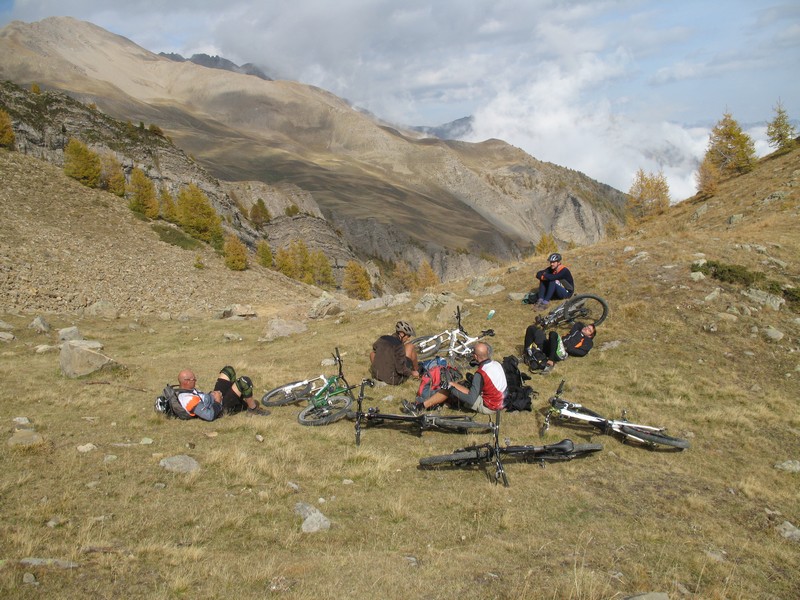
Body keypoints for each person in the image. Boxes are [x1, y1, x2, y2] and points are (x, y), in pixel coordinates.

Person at [402, 342, 506, 415]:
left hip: (490, 407)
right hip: (501, 402)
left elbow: (472, 398)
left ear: (475, 356)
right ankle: (431, 404)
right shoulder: (496, 364)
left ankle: (419, 407)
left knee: (448, 388)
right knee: (454, 385)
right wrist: (455, 385)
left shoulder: (481, 373)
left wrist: (451, 387)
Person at [176, 366, 270, 420]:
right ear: (186, 382)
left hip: (215, 397)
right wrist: (217, 401)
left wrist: (213, 394)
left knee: (228, 370)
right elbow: (209, 416)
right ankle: (253, 409)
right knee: (244, 382)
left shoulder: (187, 390)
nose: (195, 381)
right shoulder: (188, 400)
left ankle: (237, 400)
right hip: (220, 408)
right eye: (193, 379)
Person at [523, 321, 596, 373]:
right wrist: (587, 328)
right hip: (553, 345)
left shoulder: (588, 341)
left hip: (562, 351)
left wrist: (568, 349)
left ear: (590, 336)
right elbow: (579, 324)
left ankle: (551, 361)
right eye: (586, 327)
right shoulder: (576, 330)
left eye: (589, 330)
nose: (586, 328)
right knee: (532, 328)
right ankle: (526, 355)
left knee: (553, 334)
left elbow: (582, 352)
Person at [370, 320, 420, 385]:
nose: (408, 339)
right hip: (393, 380)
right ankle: (417, 371)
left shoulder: (382, 338)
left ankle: (379, 372)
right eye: (408, 336)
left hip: (377, 376)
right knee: (410, 346)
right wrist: (411, 373)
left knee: (372, 353)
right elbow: (400, 369)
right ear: (402, 334)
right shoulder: (399, 345)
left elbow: (374, 348)